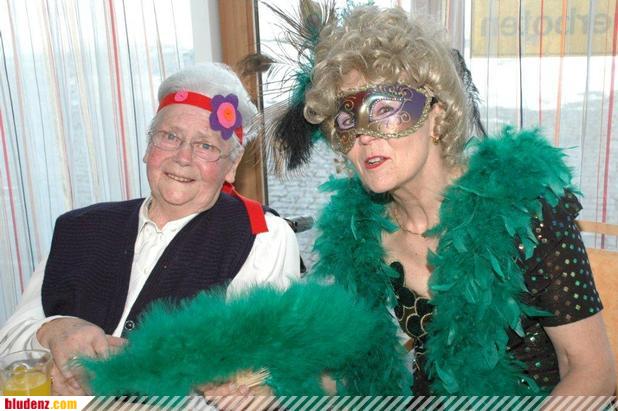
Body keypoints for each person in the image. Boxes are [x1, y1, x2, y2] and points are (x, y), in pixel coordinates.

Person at [253, 2, 616, 396]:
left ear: (437, 115)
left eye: (384, 108)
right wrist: (274, 388)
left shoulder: (526, 208)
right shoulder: (358, 236)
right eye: (346, 120)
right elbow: (346, 369)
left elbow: (591, 370)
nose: (363, 135)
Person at [0, 63, 301, 395]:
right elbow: (10, 340)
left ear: (232, 166)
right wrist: (53, 331)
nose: (183, 157)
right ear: (148, 147)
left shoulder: (263, 237)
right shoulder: (79, 227)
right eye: (170, 136)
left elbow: (256, 374)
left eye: (206, 146)